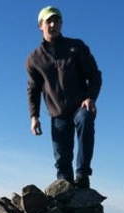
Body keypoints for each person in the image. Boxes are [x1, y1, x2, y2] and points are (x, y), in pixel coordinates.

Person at [25, 6, 102, 188]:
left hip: (79, 106)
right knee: (62, 159)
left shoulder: (76, 47)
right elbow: (33, 89)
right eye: (49, 21)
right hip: (57, 113)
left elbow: (95, 75)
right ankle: (65, 188)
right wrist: (34, 117)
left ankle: (82, 175)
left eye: (57, 21)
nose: (53, 24)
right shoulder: (34, 59)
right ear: (40, 26)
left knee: (85, 119)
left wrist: (90, 97)